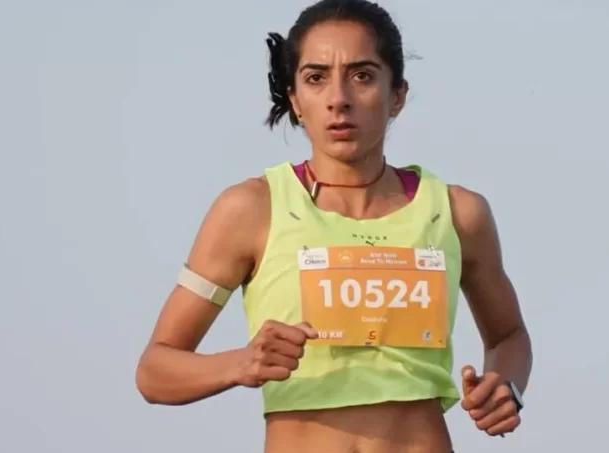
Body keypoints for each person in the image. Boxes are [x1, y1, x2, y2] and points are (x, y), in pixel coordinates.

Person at [135, 0, 533, 451]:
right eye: (316, 77)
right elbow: (155, 370)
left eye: (362, 75)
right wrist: (241, 363)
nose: (338, 98)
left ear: (398, 95)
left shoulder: (457, 213)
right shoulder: (250, 209)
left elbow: (508, 336)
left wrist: (507, 388)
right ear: (295, 100)